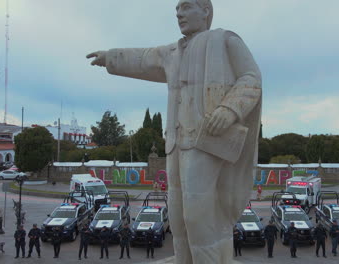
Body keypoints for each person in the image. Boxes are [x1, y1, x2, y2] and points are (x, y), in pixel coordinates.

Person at [87, 0, 262, 262]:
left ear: (205, 10)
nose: (179, 13)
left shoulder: (225, 40)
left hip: (208, 139)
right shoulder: (171, 52)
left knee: (198, 213)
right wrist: (110, 57)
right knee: (178, 214)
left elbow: (251, 77)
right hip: (177, 142)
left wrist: (229, 109)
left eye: (186, 6)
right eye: (177, 9)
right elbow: (142, 59)